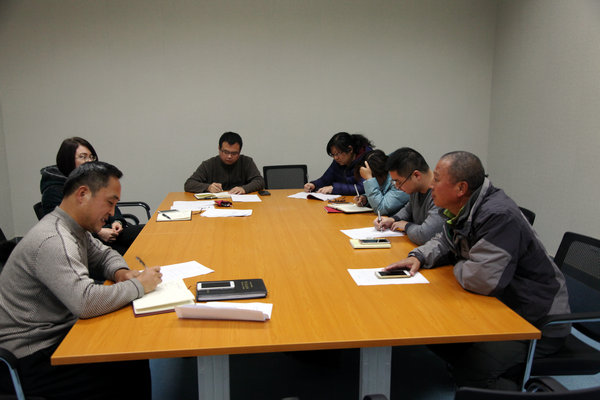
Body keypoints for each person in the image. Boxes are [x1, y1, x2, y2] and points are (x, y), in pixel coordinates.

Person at [385, 151, 570, 390]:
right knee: (435, 335)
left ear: (461, 188)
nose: (431, 185)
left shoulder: (498, 216)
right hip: (502, 304)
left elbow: (481, 280)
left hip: (535, 321)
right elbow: (444, 240)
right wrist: (418, 256)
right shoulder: (463, 207)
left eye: (437, 179)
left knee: (472, 372)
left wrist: (459, 261)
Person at [0, 161, 162, 399]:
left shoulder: (74, 228)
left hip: (57, 334)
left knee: (128, 352)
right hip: (30, 356)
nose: (112, 212)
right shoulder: (54, 239)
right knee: (128, 364)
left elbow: (104, 255)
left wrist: (122, 273)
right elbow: (85, 302)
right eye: (110, 202)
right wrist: (139, 285)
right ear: (83, 194)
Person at [40, 137, 143, 255]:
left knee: (150, 234)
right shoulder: (53, 190)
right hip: (89, 240)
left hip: (110, 231)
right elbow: (68, 227)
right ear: (68, 160)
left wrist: (117, 221)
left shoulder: (90, 181)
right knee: (135, 255)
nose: (89, 161)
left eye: (91, 157)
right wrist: (99, 232)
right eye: (83, 157)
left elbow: (110, 203)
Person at [373, 147, 445, 245]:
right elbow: (408, 209)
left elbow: (425, 235)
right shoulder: (416, 189)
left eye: (399, 182)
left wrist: (406, 226)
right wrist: (392, 219)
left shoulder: (441, 195)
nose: (397, 187)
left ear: (416, 175)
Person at [184, 131, 265, 194]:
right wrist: (208, 187)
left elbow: (260, 181)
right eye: (226, 152)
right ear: (219, 149)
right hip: (215, 204)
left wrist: (244, 189)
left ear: (239, 152)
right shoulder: (209, 164)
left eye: (234, 153)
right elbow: (189, 184)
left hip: (241, 203)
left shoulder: (247, 162)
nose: (229, 156)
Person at [304, 132, 372, 195]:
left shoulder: (367, 160)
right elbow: (325, 180)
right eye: (333, 155)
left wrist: (334, 188)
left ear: (350, 149)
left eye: (337, 154)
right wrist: (314, 185)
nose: (335, 158)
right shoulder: (338, 162)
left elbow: (363, 188)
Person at [352, 149, 409, 215]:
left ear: (378, 174)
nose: (366, 181)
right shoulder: (384, 178)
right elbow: (382, 194)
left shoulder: (399, 181)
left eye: (367, 178)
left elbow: (381, 209)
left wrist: (369, 179)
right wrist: (366, 199)